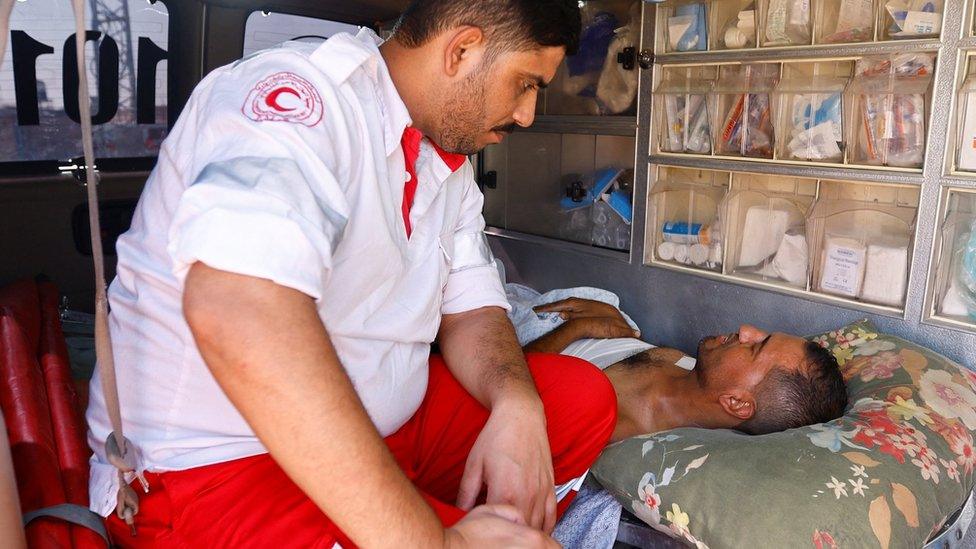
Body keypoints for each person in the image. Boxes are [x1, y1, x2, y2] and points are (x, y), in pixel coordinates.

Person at [85, 2, 618, 547]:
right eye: (524, 84)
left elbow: (472, 305)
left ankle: (426, 512)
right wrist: (432, 542)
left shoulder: (447, 154)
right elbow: (235, 307)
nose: (528, 114)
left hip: (386, 430)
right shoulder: (298, 99)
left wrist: (516, 405)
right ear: (461, 50)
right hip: (221, 467)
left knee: (578, 400)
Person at [521, 298, 848, 441]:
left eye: (755, 346)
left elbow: (507, 386)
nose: (746, 329)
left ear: (736, 402)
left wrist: (576, 330)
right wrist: (615, 324)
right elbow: (633, 350)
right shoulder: (687, 365)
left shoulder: (617, 423)